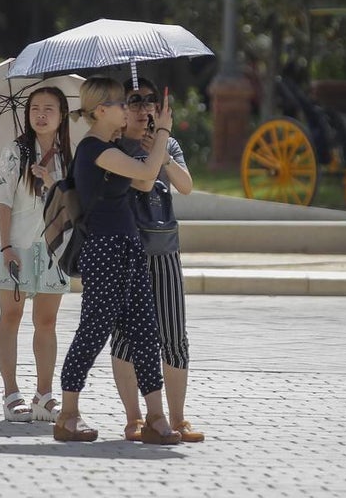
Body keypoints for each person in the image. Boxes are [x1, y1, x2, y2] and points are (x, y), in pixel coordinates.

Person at [53, 77, 180, 445]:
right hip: (105, 250)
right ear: (101, 110)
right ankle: (67, 414)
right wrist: (163, 134)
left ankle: (155, 417)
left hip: (127, 247)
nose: (130, 109)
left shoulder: (111, 148)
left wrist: (152, 145)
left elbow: (142, 183)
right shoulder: (93, 148)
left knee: (145, 332)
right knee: (93, 330)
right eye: (122, 104)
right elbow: (143, 174)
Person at [110, 78, 204, 443]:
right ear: (121, 106)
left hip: (165, 250)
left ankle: (177, 418)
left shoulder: (169, 144)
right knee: (125, 339)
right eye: (134, 100)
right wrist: (153, 153)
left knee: (174, 336)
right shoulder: (113, 146)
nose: (144, 107)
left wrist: (163, 151)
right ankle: (135, 419)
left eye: (150, 100)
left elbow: (186, 185)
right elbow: (144, 183)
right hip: (127, 251)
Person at [0, 87, 73, 424]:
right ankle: (11, 394)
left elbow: (72, 207)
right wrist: (5, 246)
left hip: (53, 250)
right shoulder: (15, 151)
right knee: (11, 316)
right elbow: (2, 200)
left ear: (62, 115)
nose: (41, 114)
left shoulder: (69, 157)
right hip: (17, 245)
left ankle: (44, 395)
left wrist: (51, 181)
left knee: (46, 322)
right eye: (35, 108)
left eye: (49, 108)